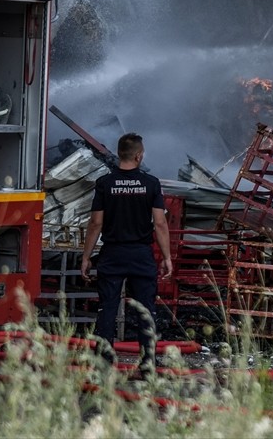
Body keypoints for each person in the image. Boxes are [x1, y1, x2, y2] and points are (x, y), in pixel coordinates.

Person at [81, 133, 172, 372]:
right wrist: (167, 257)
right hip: (141, 254)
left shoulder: (105, 184)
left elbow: (95, 223)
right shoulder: (151, 183)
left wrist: (86, 256)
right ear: (139, 155)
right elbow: (160, 223)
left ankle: (104, 361)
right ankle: (148, 362)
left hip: (112, 253)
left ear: (120, 154)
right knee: (146, 309)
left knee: (107, 307)